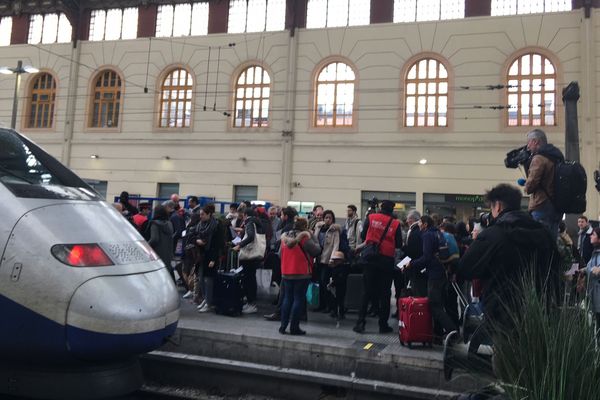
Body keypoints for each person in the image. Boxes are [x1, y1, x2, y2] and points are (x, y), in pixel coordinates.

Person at [457, 184, 559, 346]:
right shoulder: (544, 234)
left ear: (497, 205)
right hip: (540, 313)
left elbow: (465, 268)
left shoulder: (494, 234)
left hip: (503, 315)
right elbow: (555, 270)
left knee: (506, 364)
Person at [353, 200, 402, 334]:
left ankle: (360, 323)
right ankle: (383, 325)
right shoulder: (396, 223)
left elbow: (363, 236)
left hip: (370, 259)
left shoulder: (371, 217)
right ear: (392, 210)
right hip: (386, 261)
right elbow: (398, 244)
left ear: (381, 207)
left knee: (366, 292)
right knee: (385, 294)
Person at [406, 215, 458, 341]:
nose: (418, 226)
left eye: (419, 223)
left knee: (435, 306)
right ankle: (438, 334)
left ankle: (453, 332)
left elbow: (426, 257)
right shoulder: (438, 233)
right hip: (442, 272)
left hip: (434, 275)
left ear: (425, 224)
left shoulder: (427, 235)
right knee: (439, 304)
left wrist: (411, 263)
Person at [279, 218, 321, 335]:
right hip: (301, 273)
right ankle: (294, 327)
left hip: (286, 272)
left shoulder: (284, 236)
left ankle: (283, 326)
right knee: (298, 299)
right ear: (304, 227)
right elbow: (317, 251)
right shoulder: (305, 238)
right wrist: (313, 236)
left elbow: (279, 254)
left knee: (287, 298)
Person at [522, 128, 564, 240]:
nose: (528, 147)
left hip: (541, 205)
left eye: (529, 142)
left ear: (535, 141)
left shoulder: (539, 158)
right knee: (552, 240)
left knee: (539, 241)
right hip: (556, 205)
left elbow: (531, 185)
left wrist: (526, 185)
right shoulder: (556, 156)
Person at [233, 207, 265, 314]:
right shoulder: (257, 222)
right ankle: (251, 302)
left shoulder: (250, 223)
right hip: (254, 256)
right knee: (251, 278)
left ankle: (251, 303)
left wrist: (240, 245)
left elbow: (251, 236)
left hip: (249, 256)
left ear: (245, 214)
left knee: (248, 279)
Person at [313, 210, 341, 313]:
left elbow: (336, 245)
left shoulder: (335, 230)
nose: (328, 219)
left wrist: (332, 259)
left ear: (333, 219)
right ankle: (321, 305)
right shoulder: (319, 228)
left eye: (330, 218)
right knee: (319, 282)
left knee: (325, 283)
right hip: (318, 258)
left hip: (327, 259)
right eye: (326, 217)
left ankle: (329, 306)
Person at [196, 204, 223, 313]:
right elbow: (195, 235)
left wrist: (213, 259)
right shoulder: (200, 225)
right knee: (201, 278)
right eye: (200, 214)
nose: (200, 216)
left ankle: (209, 302)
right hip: (202, 255)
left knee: (208, 280)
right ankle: (206, 299)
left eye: (202, 214)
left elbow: (217, 243)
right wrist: (197, 241)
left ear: (209, 214)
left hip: (211, 255)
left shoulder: (216, 225)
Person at [402, 210, 427, 297]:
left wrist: (403, 264)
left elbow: (412, 251)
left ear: (412, 219)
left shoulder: (414, 232)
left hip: (415, 267)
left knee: (417, 292)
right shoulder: (420, 231)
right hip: (420, 266)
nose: (406, 221)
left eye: (408, 219)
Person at [148, 205, 175, 282]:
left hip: (157, 255)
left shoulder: (154, 224)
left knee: (156, 279)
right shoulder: (169, 223)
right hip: (168, 255)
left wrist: (146, 246)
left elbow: (154, 239)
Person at [584, 227, 600, 340]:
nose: (591, 236)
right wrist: (582, 271)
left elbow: (595, 270)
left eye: (593, 234)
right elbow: (591, 268)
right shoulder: (595, 252)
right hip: (594, 294)